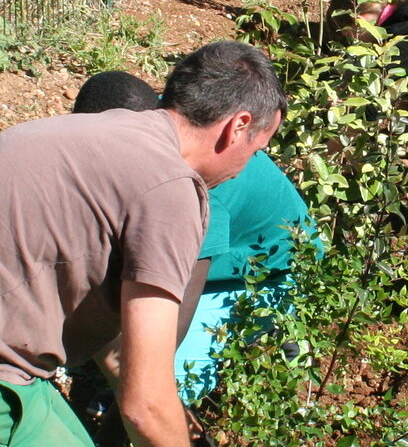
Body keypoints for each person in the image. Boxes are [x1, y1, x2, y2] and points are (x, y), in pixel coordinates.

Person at [0, 42, 286, 447]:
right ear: (237, 127)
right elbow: (146, 405)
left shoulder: (96, 129)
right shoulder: (171, 188)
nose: (243, 168)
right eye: (256, 150)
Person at [69, 70, 316, 401]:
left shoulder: (192, 188)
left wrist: (127, 419)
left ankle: (281, 333)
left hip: (271, 273)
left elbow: (169, 335)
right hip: (219, 248)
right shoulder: (140, 117)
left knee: (169, 384)